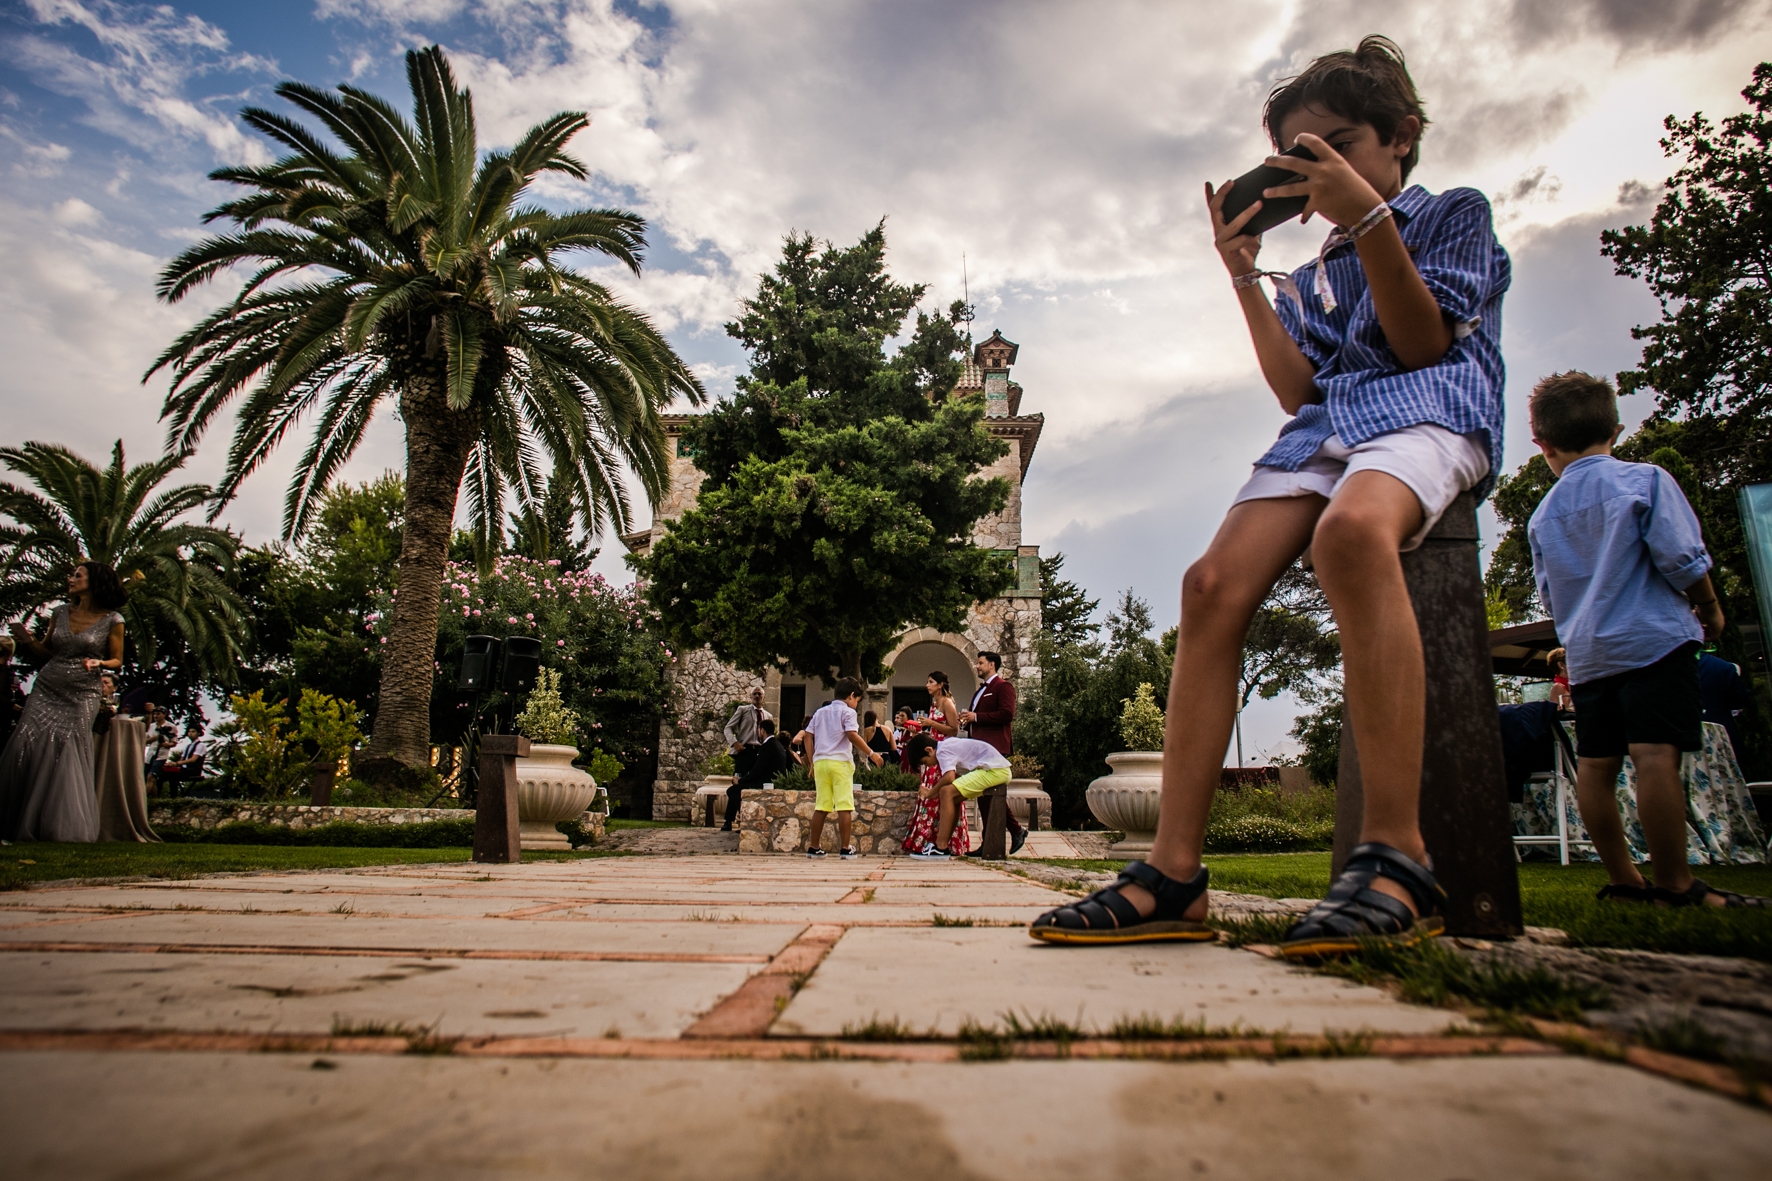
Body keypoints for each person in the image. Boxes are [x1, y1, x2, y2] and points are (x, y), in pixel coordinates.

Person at [1032, 38, 1508, 953]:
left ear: (1399, 137)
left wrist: (1368, 218)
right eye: (1296, 155)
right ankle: (1174, 874)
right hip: (1328, 424)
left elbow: (1418, 346)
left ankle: (1398, 859)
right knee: (1209, 586)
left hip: (1427, 407)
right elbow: (1298, 389)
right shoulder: (1315, 266)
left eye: (1333, 146)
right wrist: (1245, 274)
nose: (1311, 171)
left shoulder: (1448, 214)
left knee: (1351, 534)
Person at [1526, 371, 1766, 908]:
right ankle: (1676, 884)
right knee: (1656, 756)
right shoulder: (1645, 481)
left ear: (1542, 444)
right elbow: (1682, 558)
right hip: (1653, 640)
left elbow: (1550, 595)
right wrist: (1708, 607)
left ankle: (1623, 878)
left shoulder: (1543, 516)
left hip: (1590, 654)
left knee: (1596, 764)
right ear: (1615, 428)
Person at [0, 561, 127, 842]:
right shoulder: (59, 613)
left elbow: (117, 660)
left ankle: (61, 827)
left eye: (77, 575)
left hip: (82, 693)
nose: (71, 579)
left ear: (94, 581)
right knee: (24, 742)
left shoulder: (113, 620)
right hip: (47, 686)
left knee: (69, 749)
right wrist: (28, 640)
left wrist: (99, 662)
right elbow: (46, 652)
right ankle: (15, 820)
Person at [792, 679, 883, 858]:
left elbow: (808, 736)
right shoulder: (848, 713)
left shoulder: (820, 712)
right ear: (851, 696)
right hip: (840, 762)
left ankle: (814, 846)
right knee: (844, 806)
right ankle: (845, 847)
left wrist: (811, 761)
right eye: (856, 700)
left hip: (820, 762)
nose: (856, 705)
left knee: (822, 806)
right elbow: (852, 735)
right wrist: (871, 753)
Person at [959, 651, 1026, 855]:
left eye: (980, 663)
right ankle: (993, 841)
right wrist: (967, 721)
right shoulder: (980, 691)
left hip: (995, 748)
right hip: (979, 748)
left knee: (993, 794)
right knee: (984, 795)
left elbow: (1007, 714)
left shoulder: (1003, 687)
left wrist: (976, 717)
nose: (977, 666)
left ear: (992, 665)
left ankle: (1014, 831)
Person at [905, 734, 1012, 859]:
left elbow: (949, 777)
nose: (928, 766)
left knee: (946, 792)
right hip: (996, 770)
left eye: (925, 762)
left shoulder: (942, 751)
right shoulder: (946, 745)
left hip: (995, 770)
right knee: (952, 797)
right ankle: (943, 846)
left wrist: (930, 792)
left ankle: (940, 847)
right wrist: (933, 793)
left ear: (929, 750)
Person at [723, 718, 790, 831]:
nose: (758, 733)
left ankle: (747, 821)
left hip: (766, 783)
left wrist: (740, 780)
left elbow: (757, 770)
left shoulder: (767, 746)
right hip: (771, 780)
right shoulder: (777, 744)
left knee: (733, 791)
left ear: (762, 730)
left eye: (759, 730)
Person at [1696, 648, 1752, 772]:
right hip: (1722, 740)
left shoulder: (1663, 668)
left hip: (1681, 742)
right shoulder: (1723, 667)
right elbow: (1742, 700)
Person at [723, 687, 773, 780]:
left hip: (760, 751)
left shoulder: (768, 716)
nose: (757, 696)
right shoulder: (743, 710)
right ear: (750, 696)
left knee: (758, 779)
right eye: (754, 694)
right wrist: (734, 743)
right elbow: (728, 728)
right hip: (745, 750)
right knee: (739, 780)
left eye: (759, 694)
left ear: (764, 697)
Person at [157, 723, 209, 789]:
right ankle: (157, 796)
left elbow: (193, 760)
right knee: (161, 774)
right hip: (184, 770)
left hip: (193, 770)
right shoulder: (188, 746)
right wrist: (172, 764)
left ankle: (174, 797)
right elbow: (181, 760)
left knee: (173, 776)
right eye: (189, 731)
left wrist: (177, 763)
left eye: (193, 732)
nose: (190, 733)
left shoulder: (200, 745)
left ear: (198, 733)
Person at [924, 671, 961, 738]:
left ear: (940, 685)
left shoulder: (947, 703)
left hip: (945, 745)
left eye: (931, 682)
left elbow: (954, 731)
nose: (927, 685)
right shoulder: (934, 705)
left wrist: (931, 723)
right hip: (934, 745)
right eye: (927, 682)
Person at [1547, 647, 1574, 713]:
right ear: (1561, 665)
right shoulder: (1558, 687)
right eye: (1571, 661)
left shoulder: (1572, 683)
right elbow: (1558, 715)